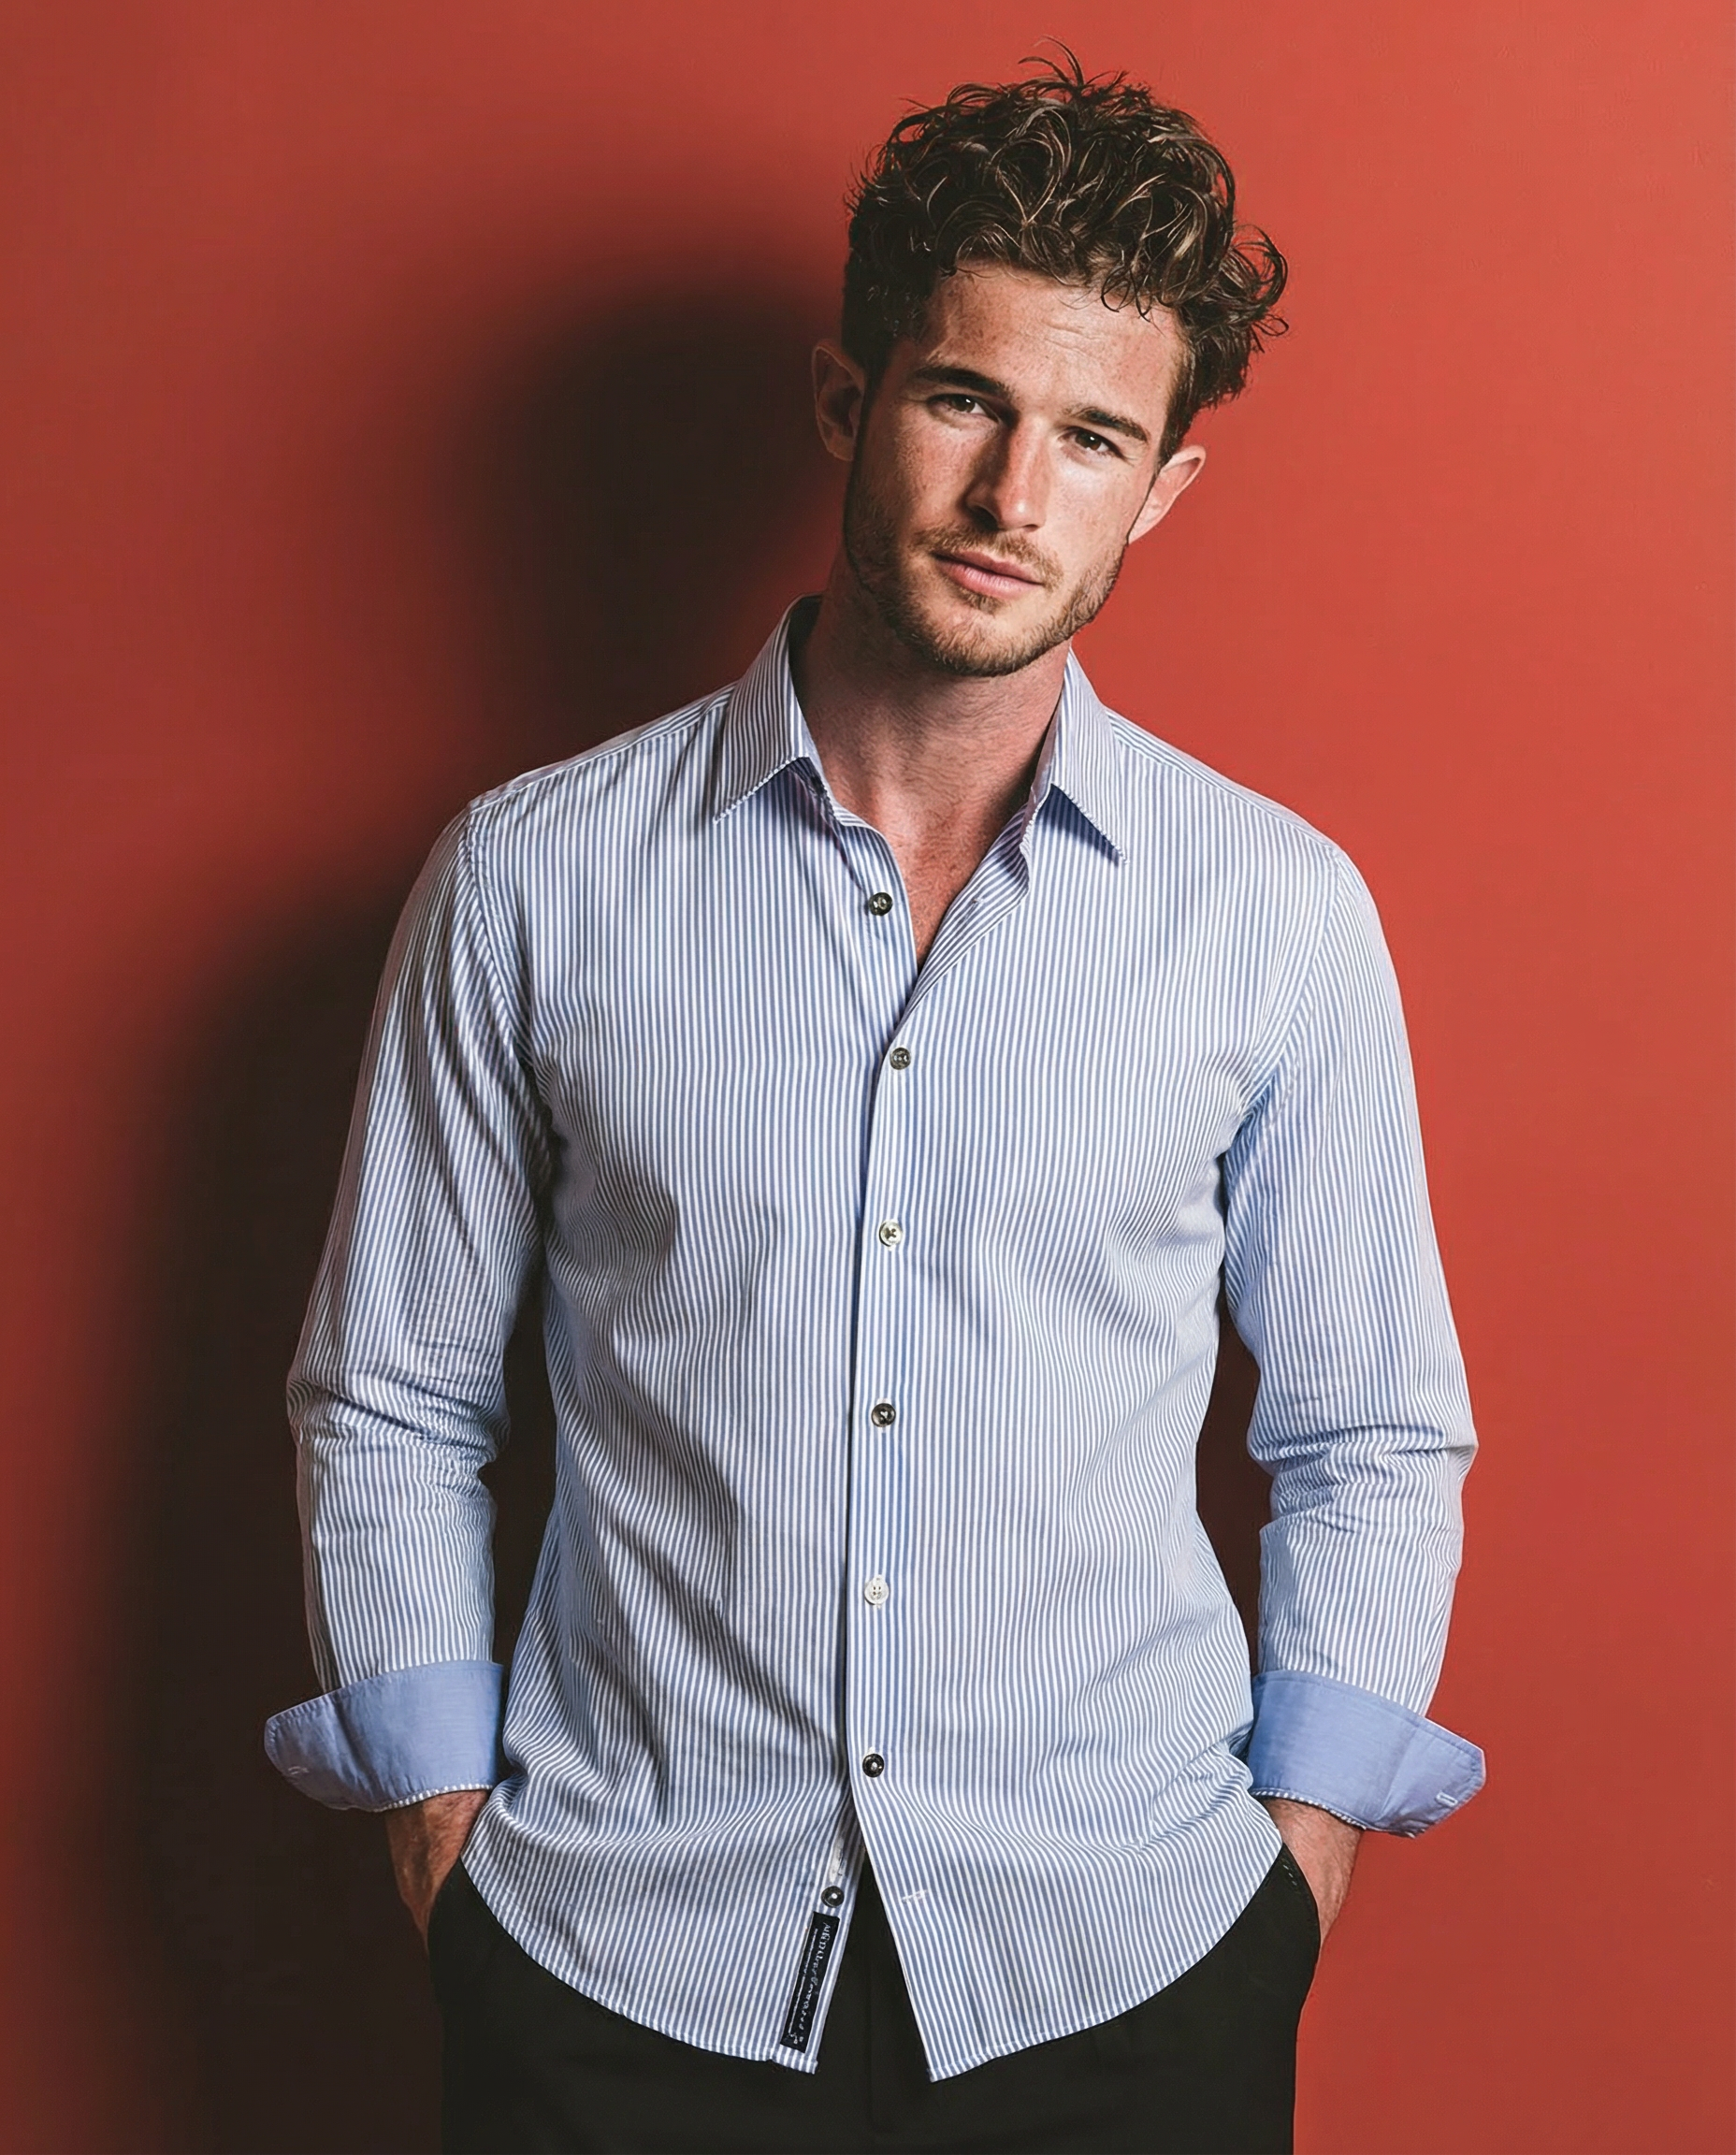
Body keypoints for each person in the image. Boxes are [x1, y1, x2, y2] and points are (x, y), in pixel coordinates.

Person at [266, 51, 1483, 2155]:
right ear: (849, 402)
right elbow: (389, 1395)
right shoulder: (534, 878)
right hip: (616, 1967)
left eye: (1093, 437)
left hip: (1131, 1971)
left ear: (1162, 487)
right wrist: (447, 1849)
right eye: (963, 402)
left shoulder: (1272, 915)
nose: (1016, 495)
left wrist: (1290, 1881)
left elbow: (1371, 1429)